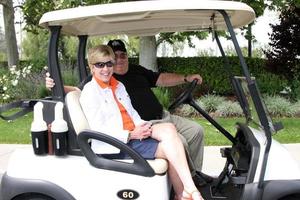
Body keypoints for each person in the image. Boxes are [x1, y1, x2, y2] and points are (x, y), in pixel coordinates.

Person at [46, 40, 212, 186]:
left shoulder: (129, 75)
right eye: (106, 61)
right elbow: (80, 91)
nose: (117, 61)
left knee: (195, 131)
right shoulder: (97, 81)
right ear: (94, 66)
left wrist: (186, 77)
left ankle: (194, 177)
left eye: (121, 55)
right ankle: (186, 185)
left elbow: (160, 79)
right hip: (139, 128)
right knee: (177, 142)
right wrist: (55, 85)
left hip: (160, 117)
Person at [80, 44, 204, 200]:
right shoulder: (90, 92)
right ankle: (186, 191)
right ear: (91, 67)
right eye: (100, 65)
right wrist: (131, 134)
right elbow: (98, 129)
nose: (106, 69)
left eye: (109, 63)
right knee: (169, 147)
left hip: (133, 134)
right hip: (117, 144)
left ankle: (184, 192)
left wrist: (142, 125)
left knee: (169, 128)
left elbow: (132, 113)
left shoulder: (118, 86)